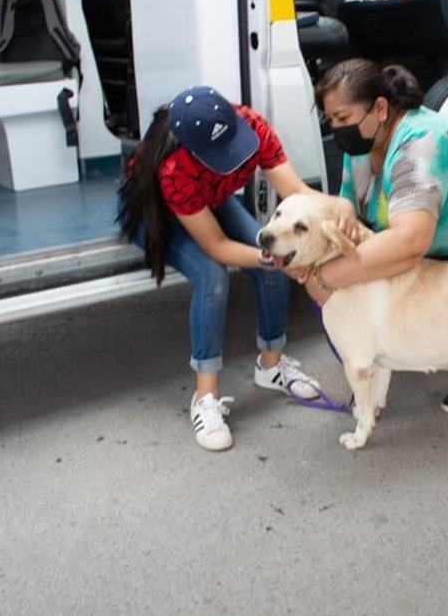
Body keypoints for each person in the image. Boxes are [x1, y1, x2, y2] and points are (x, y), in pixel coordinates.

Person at [117, 85, 346, 451]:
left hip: (209, 197)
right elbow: (217, 246)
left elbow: (298, 193)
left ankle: (271, 367)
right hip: (156, 211)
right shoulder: (174, 168)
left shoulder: (253, 126)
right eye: (223, 154)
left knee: (270, 261)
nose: (236, 158)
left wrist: (342, 211)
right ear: (195, 151)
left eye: (234, 145)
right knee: (212, 276)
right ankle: (205, 398)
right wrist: (273, 258)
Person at [295, 59, 448, 414]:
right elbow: (349, 204)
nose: (338, 129)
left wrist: (325, 275)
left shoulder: (423, 143)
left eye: (343, 118)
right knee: (354, 282)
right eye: (331, 121)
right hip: (436, 250)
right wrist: (340, 213)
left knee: (349, 277)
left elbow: (410, 242)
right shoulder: (363, 145)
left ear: (380, 108)